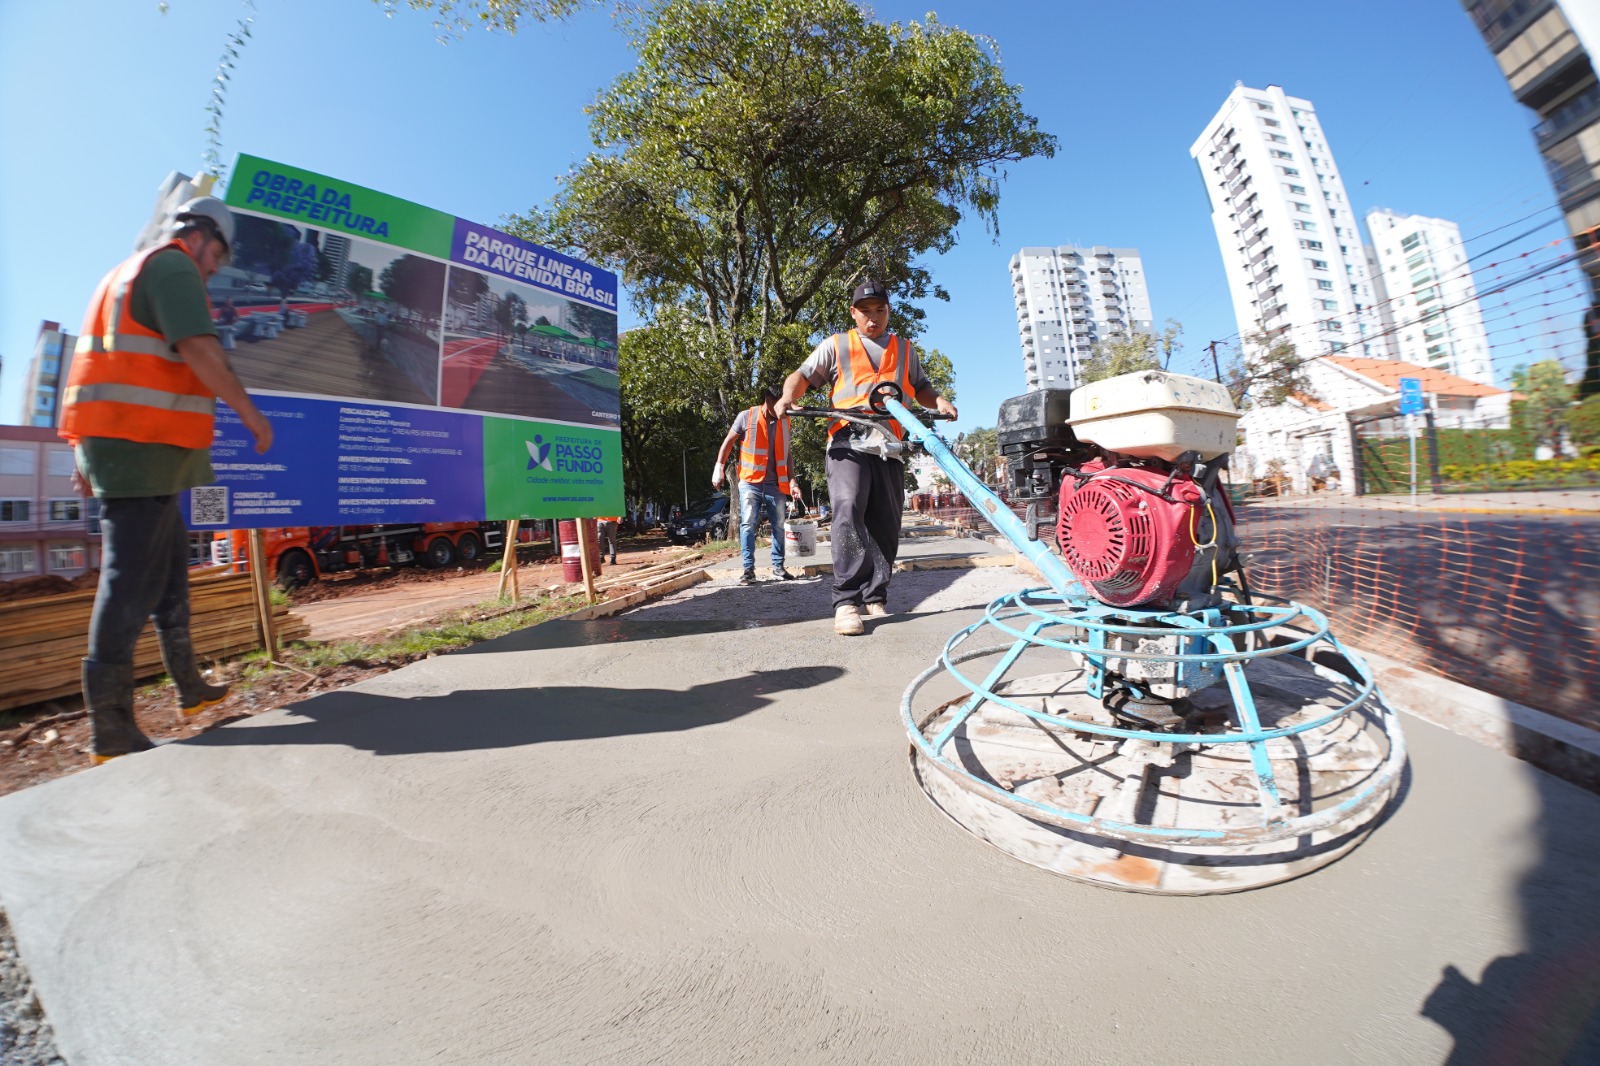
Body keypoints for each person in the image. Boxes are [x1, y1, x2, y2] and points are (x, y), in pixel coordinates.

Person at [59, 196, 274, 764]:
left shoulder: (121, 274)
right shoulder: (172, 264)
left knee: (171, 570)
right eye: (217, 258)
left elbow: (94, 370)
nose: (214, 270)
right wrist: (251, 415)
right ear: (201, 237)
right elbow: (199, 349)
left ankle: (188, 687)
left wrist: (81, 450)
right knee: (128, 580)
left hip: (145, 448)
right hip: (138, 446)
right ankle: (110, 729)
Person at [776, 279, 956, 635]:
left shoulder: (906, 350)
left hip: (890, 443)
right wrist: (787, 397)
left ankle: (876, 594)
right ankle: (846, 601)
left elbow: (920, 388)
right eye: (866, 311)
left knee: (886, 522)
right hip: (848, 438)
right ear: (853, 313)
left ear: (888, 312)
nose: (873, 318)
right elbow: (803, 376)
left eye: (880, 311)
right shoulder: (837, 345)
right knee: (847, 506)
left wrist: (939, 402)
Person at [713, 384, 803, 583]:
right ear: (769, 401)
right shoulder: (746, 417)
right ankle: (748, 570)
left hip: (775, 483)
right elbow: (728, 441)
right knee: (748, 524)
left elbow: (787, 454)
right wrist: (719, 467)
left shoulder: (785, 421)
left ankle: (778, 568)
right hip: (749, 482)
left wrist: (793, 480)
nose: (784, 409)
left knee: (778, 525)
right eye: (781, 404)